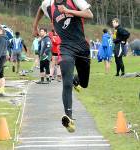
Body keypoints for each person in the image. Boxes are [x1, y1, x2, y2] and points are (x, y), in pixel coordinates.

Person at [33, 0, 93, 132]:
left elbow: (89, 14)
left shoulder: (75, 1)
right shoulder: (48, 4)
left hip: (82, 47)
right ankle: (69, 118)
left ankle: (74, 80)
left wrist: (68, 11)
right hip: (65, 48)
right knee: (65, 82)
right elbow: (40, 9)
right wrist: (35, 26)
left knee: (84, 83)